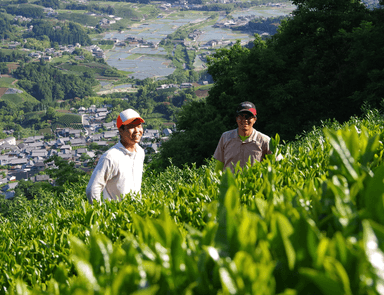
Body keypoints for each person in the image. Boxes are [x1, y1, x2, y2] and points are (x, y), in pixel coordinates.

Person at [86, 108, 145, 204]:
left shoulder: (140, 152)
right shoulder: (111, 157)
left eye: (139, 126)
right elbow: (92, 189)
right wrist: (101, 212)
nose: (137, 130)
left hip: (136, 213)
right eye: (131, 127)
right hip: (117, 214)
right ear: (121, 130)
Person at [213, 101, 273, 174]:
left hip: (253, 184)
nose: (244, 120)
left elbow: (275, 164)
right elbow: (219, 166)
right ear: (236, 119)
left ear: (255, 119)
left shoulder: (265, 140)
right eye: (241, 116)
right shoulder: (225, 137)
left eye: (248, 117)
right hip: (230, 184)